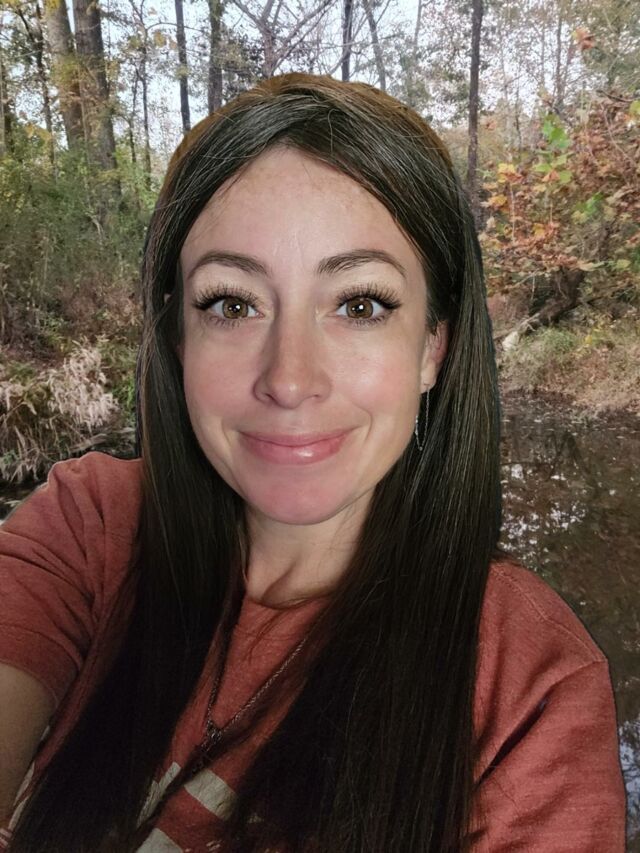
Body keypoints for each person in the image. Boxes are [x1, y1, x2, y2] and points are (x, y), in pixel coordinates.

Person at [0, 72, 625, 852]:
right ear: (177, 336)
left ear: (434, 346)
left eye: (360, 304)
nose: (290, 380)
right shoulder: (91, 526)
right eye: (232, 303)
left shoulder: (528, 686)